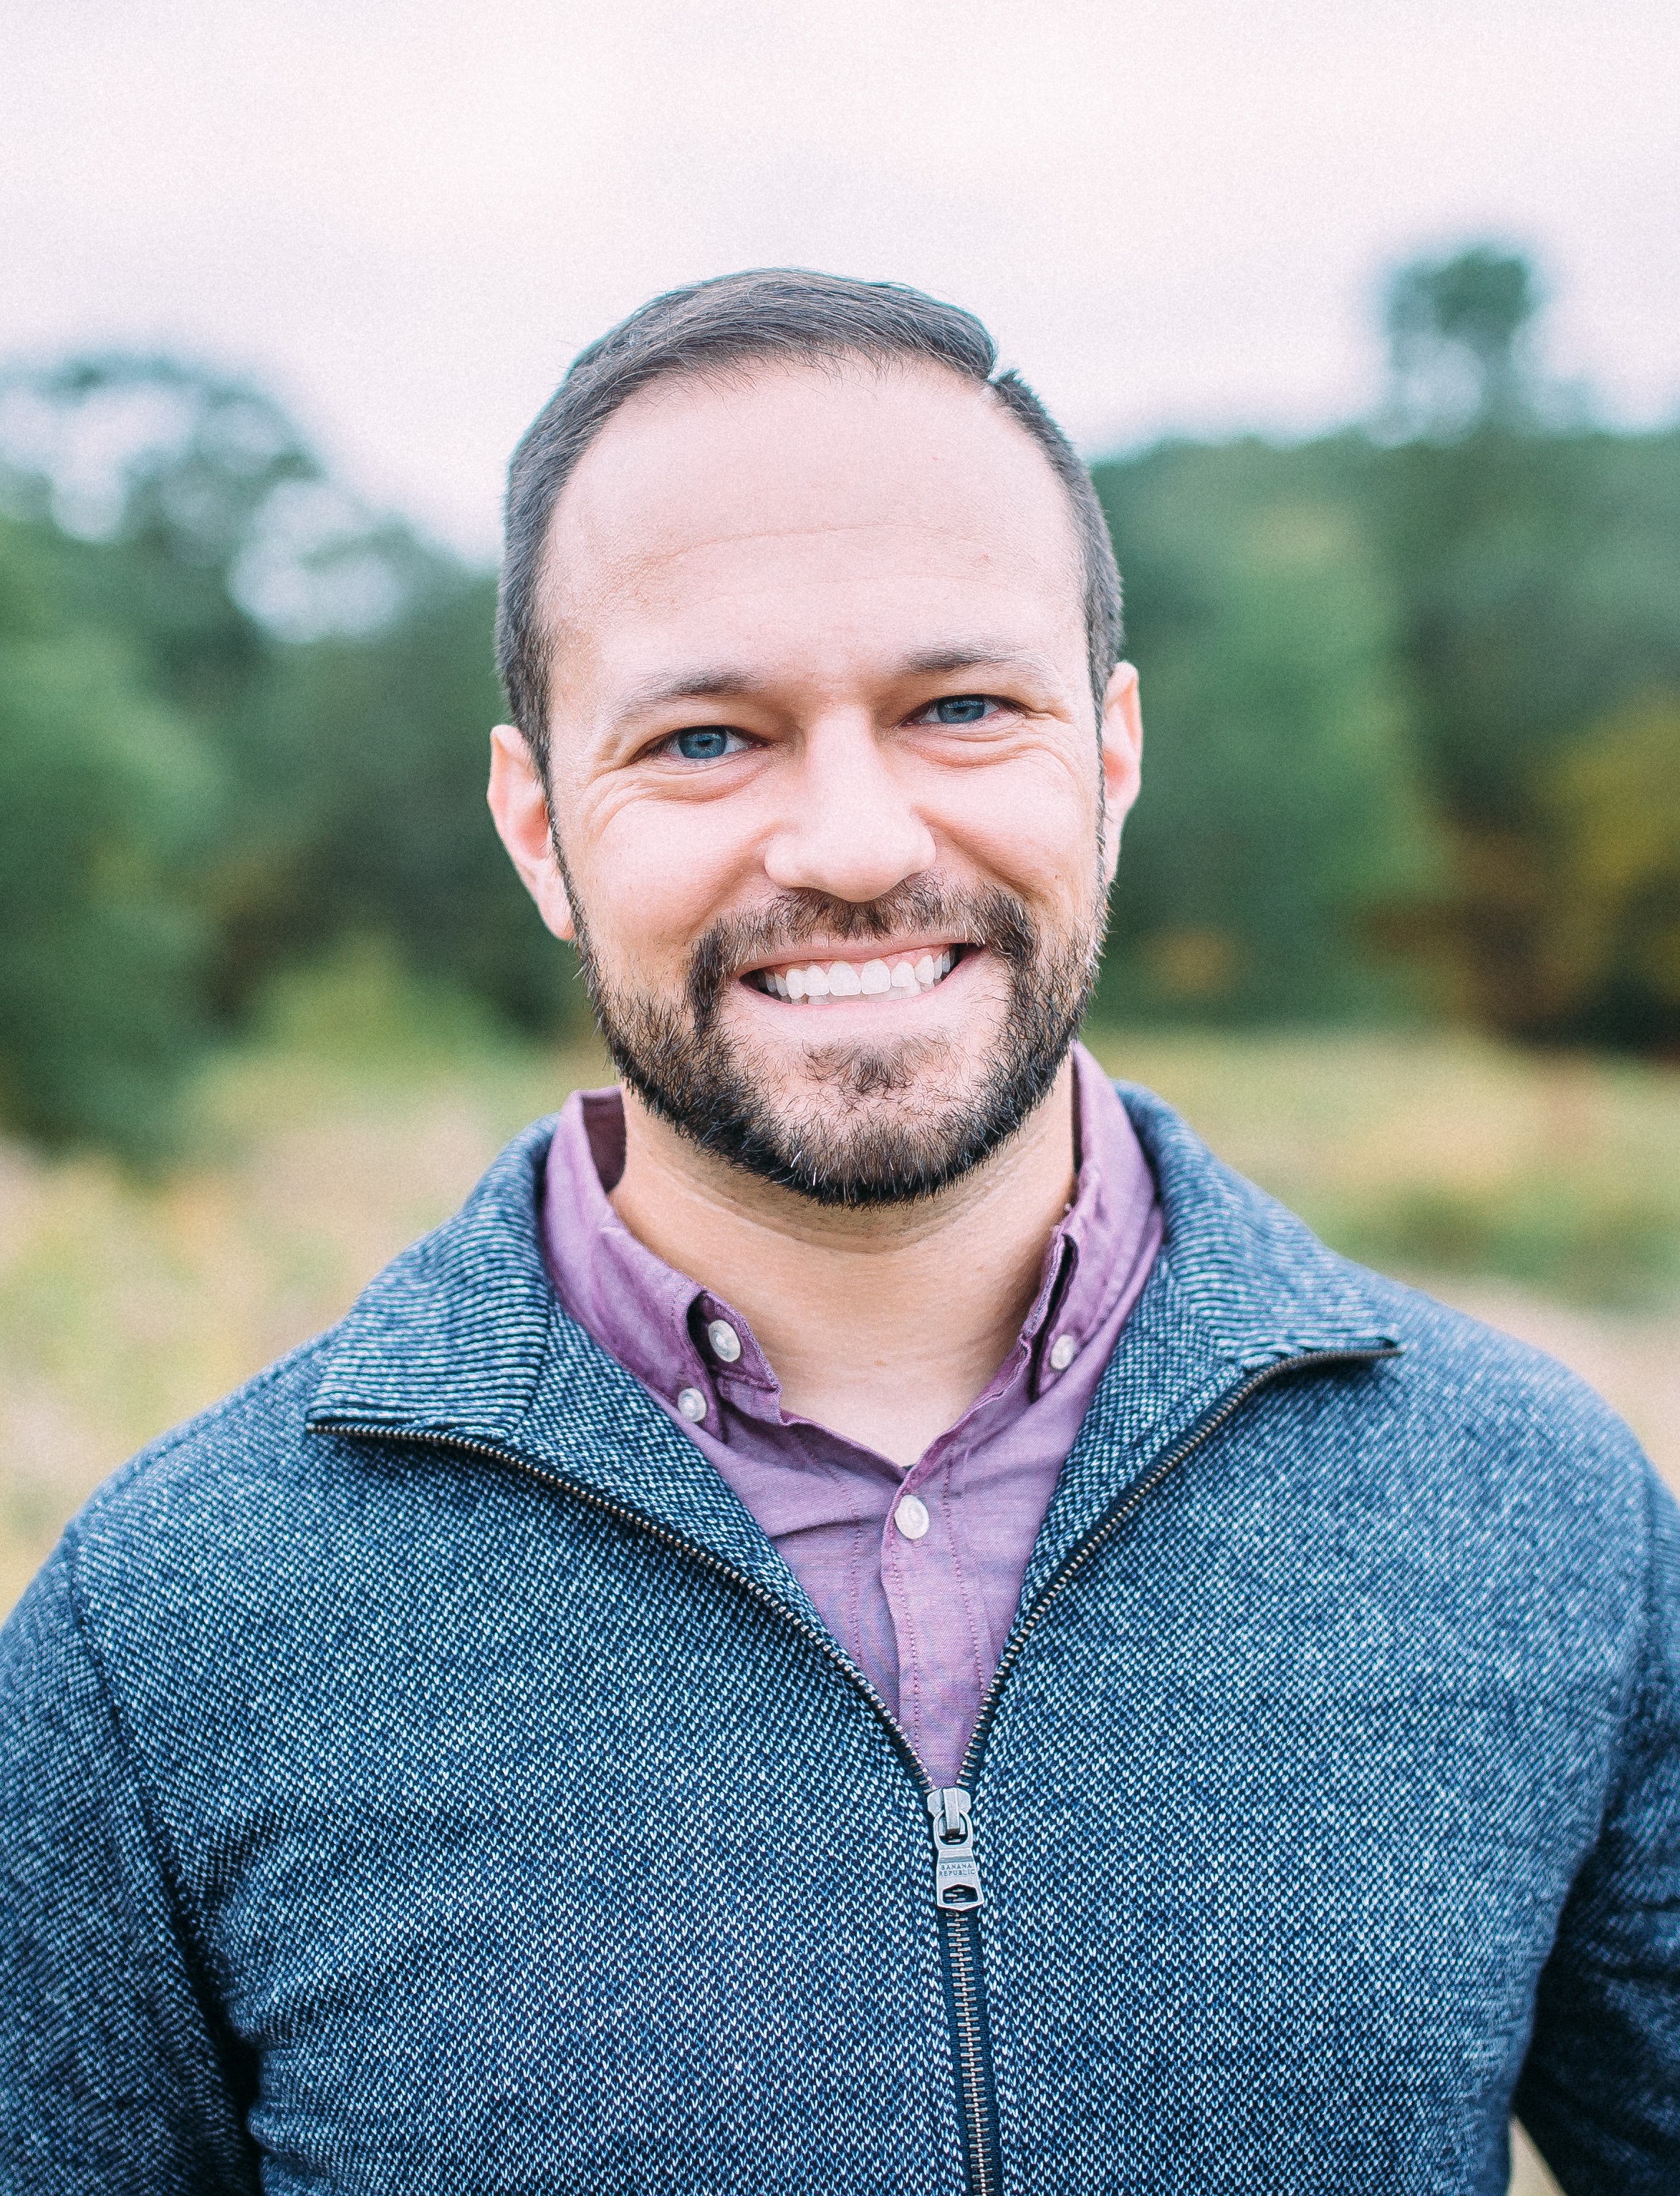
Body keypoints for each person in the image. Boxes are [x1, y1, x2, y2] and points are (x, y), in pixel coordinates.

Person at [1, 271, 1676, 2196]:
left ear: (1109, 760)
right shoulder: (170, 1634)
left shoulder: (1541, 1517)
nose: (859, 841)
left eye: (958, 707)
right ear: (536, 821)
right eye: (707, 739)